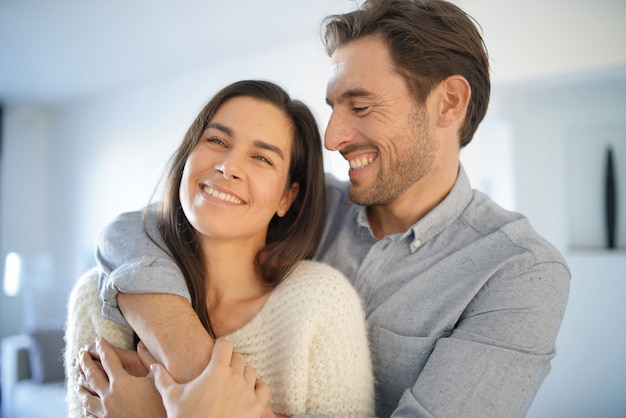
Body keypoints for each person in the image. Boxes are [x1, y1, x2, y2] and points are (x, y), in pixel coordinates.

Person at [87, 0, 570, 417]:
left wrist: (184, 409)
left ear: (448, 103)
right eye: (333, 107)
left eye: (359, 108)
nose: (332, 138)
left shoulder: (519, 272)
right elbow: (137, 229)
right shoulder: (308, 206)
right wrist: (193, 369)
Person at [65, 80, 375, 418]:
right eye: (216, 140)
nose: (229, 166)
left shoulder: (324, 304)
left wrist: (160, 412)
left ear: (287, 197)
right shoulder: (95, 299)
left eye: (261, 158)